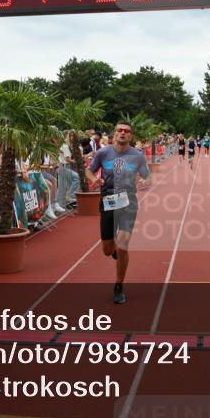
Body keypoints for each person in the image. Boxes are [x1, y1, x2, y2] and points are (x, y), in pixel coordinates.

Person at [85, 121, 150, 305]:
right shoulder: (103, 152)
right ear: (114, 134)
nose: (122, 133)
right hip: (108, 201)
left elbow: (147, 175)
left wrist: (146, 181)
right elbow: (89, 171)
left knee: (123, 246)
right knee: (107, 250)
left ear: (131, 135)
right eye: (119, 130)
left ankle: (119, 286)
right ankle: (112, 250)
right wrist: (94, 180)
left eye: (126, 131)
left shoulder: (137, 156)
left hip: (128, 202)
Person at [57, 131, 80, 210]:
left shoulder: (67, 146)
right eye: (70, 136)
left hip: (65, 166)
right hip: (64, 166)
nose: (71, 138)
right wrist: (78, 161)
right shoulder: (65, 146)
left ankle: (62, 205)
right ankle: (70, 196)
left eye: (72, 136)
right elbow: (68, 159)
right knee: (76, 178)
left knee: (62, 186)